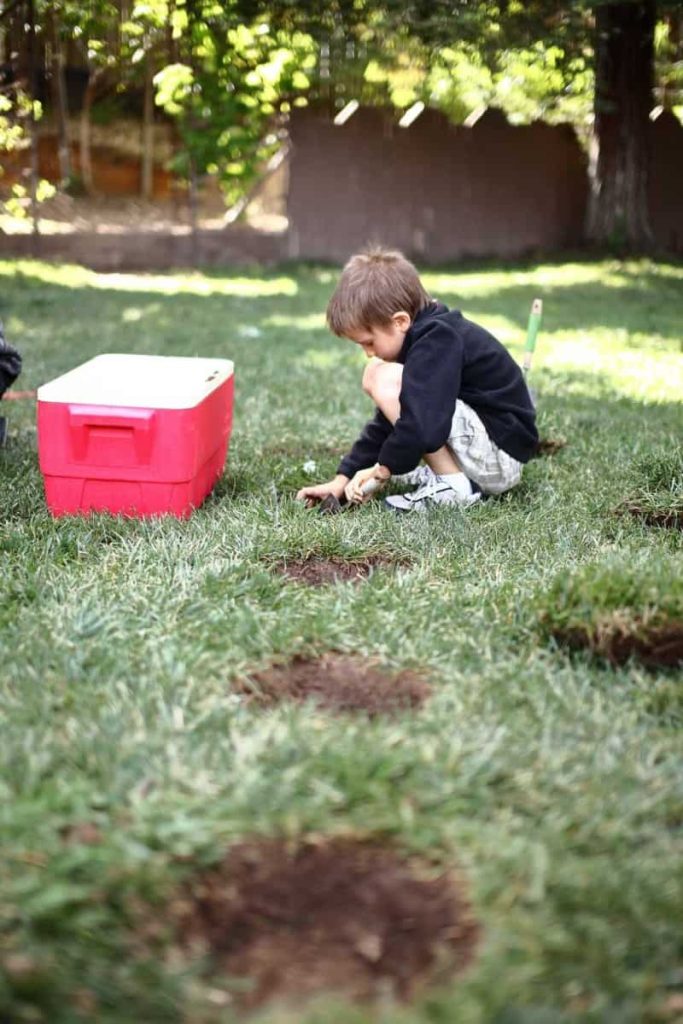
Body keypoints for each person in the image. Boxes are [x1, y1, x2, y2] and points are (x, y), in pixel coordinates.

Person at [296, 247, 538, 512]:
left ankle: (453, 485)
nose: (368, 353)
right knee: (389, 382)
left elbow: (422, 424)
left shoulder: (438, 339)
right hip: (489, 451)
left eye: (369, 342)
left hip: (499, 457)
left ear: (400, 321)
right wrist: (341, 480)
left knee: (381, 376)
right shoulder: (425, 335)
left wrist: (382, 470)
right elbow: (389, 424)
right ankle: (450, 474)